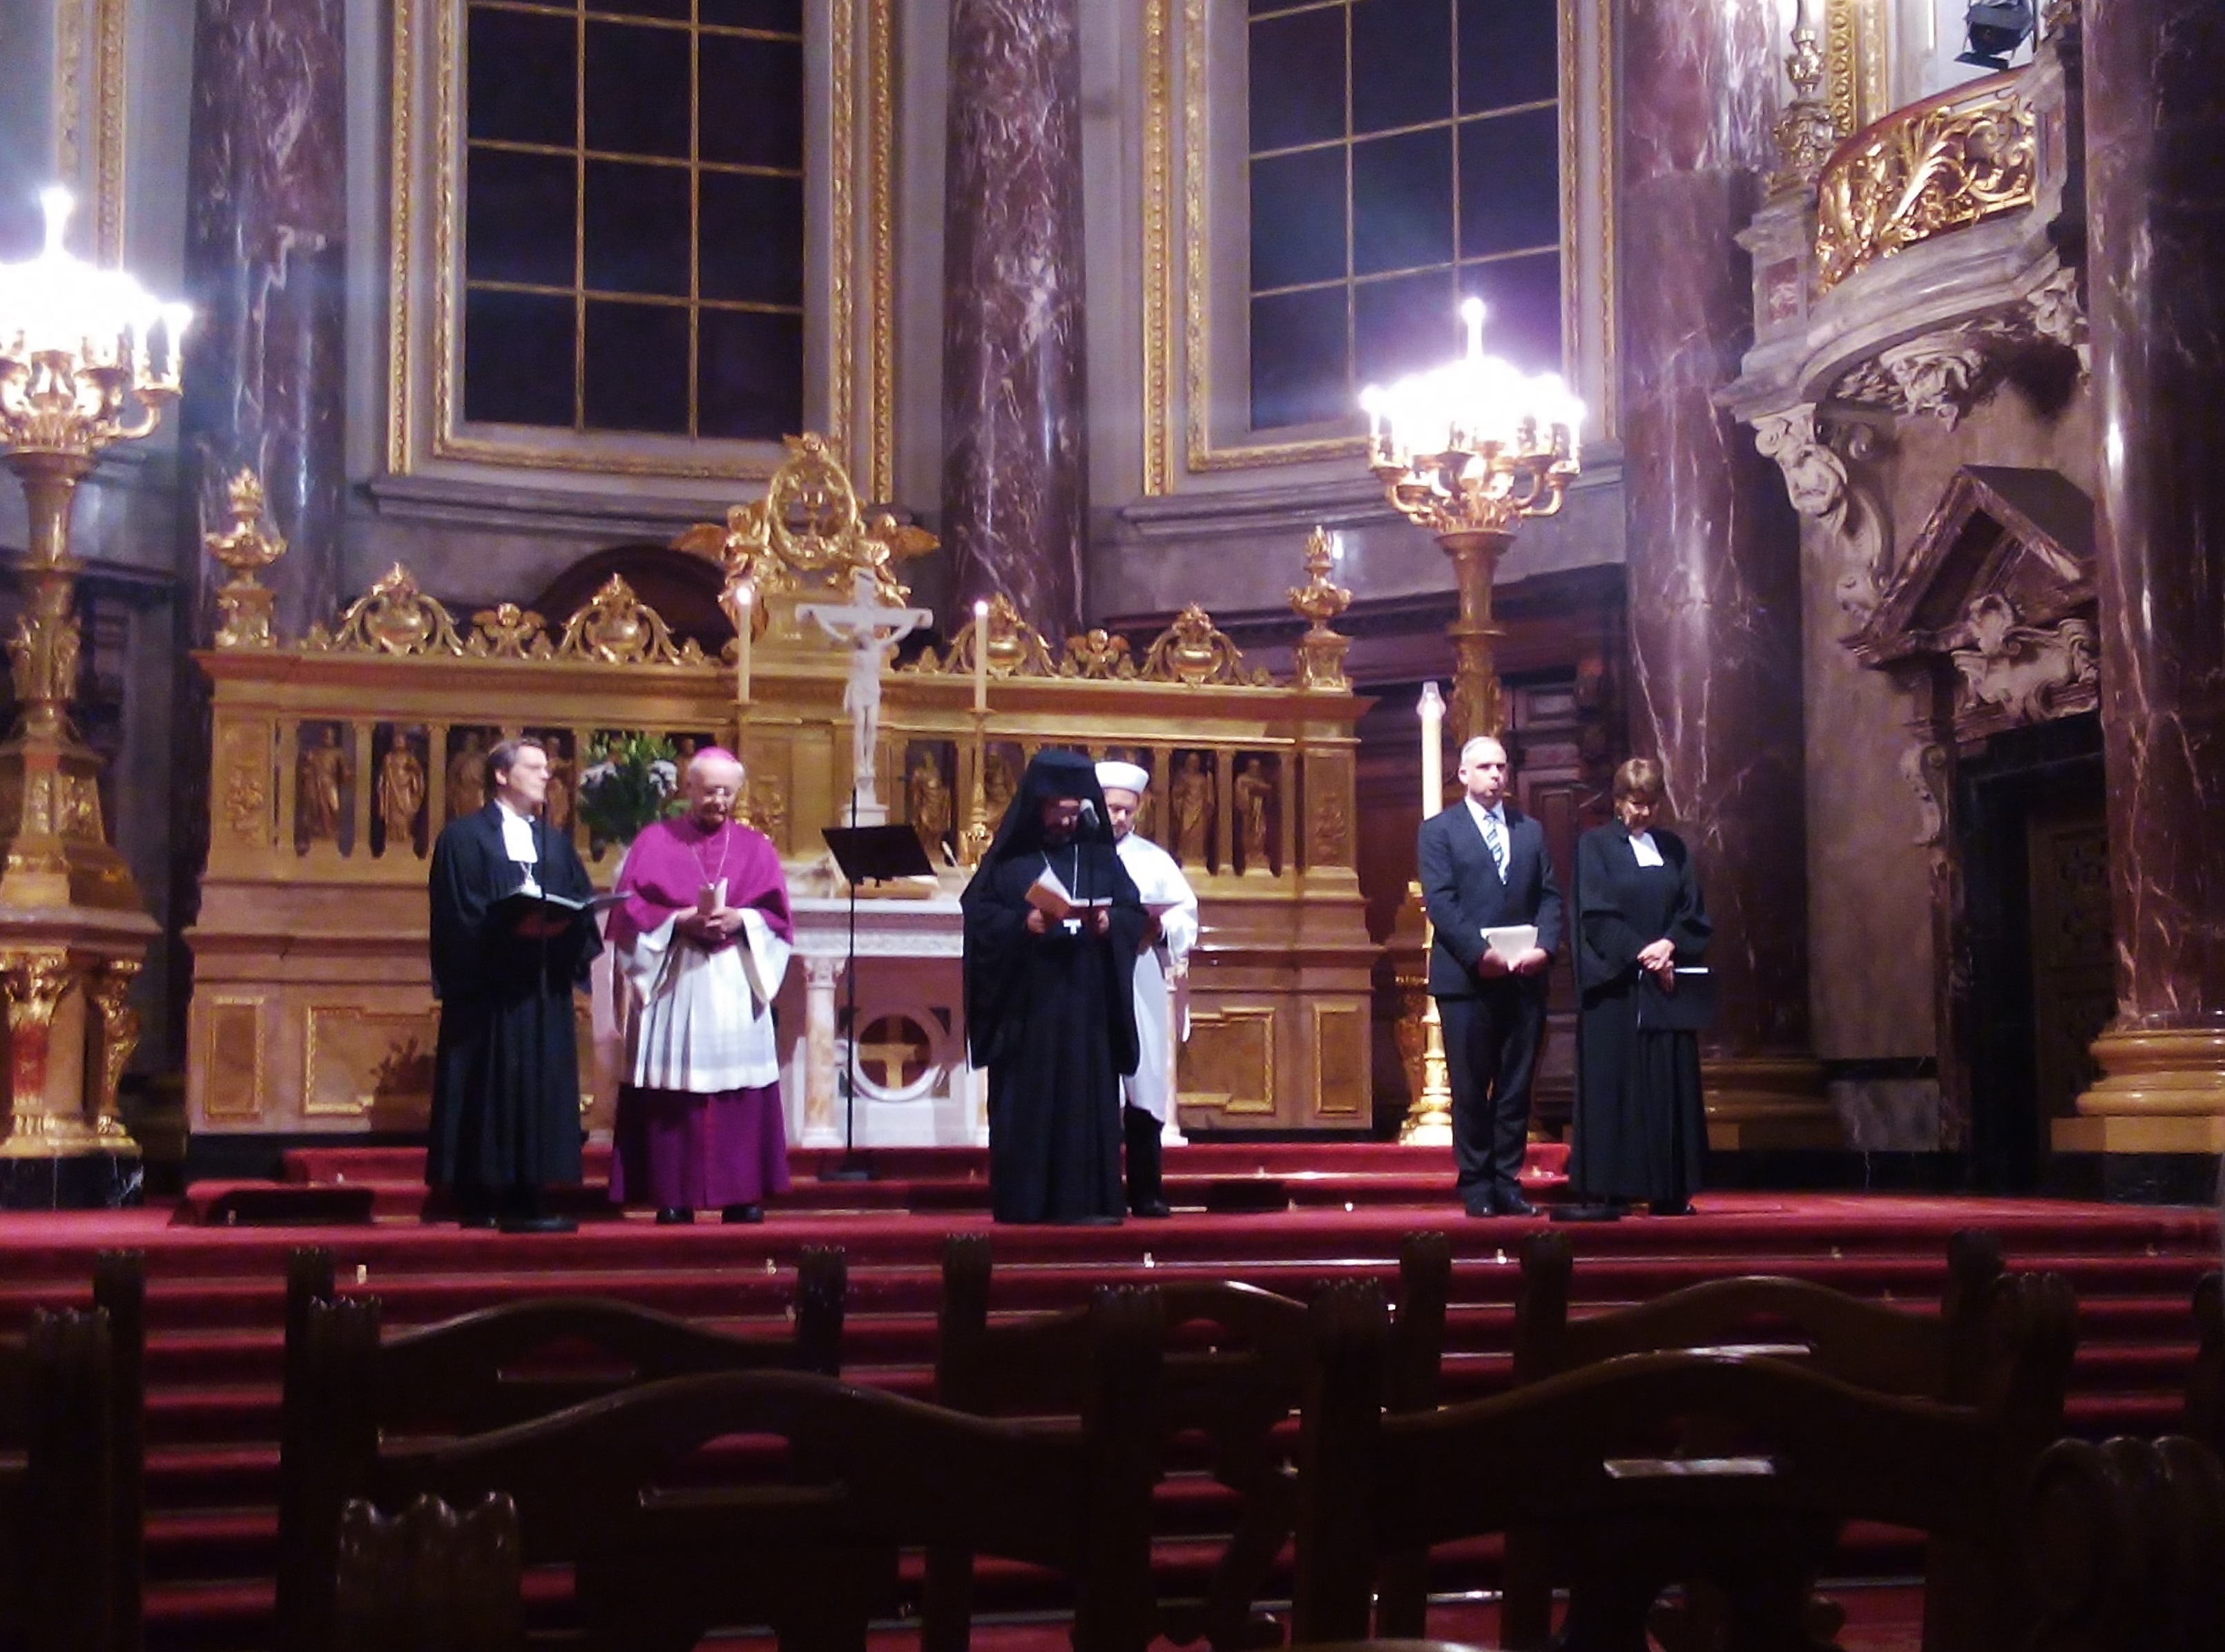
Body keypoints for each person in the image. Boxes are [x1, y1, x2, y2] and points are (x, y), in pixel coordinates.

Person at [606, 747, 794, 1225]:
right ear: (687, 789)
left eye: (728, 792)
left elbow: (776, 919)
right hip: (677, 979)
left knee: (739, 1093)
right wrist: (678, 922)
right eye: (710, 790)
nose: (719, 800)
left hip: (733, 979)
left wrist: (743, 919)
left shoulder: (756, 847)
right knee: (676, 1094)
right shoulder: (653, 842)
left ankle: (742, 1192)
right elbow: (628, 913)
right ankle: (673, 1193)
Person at [961, 749, 1147, 1224]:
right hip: (1030, 1008)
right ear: (1037, 806)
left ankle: (1089, 1203)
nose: (1066, 822)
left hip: (1088, 1006)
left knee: (1087, 1104)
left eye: (1073, 812)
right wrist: (1023, 922)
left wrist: (1110, 922)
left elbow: (1133, 911)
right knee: (1030, 1100)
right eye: (1056, 812)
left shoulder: (1101, 856)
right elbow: (980, 918)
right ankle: (1025, 1202)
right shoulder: (1010, 861)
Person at [427, 736, 601, 1232]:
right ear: (501, 775)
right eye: (535, 767)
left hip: (541, 992)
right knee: (488, 1083)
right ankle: (481, 1192)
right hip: (490, 994)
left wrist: (561, 931)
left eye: (547, 769)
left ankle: (535, 1189)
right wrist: (511, 933)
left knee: (540, 1083)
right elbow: (458, 913)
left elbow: (580, 907)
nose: (547, 776)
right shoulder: (463, 839)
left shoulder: (554, 843)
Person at [1418, 733, 1565, 1218]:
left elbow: (1549, 896)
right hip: (1467, 980)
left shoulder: (1530, 831)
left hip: (1523, 979)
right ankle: (1476, 1184)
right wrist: (1480, 954)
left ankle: (1507, 1181)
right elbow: (1441, 902)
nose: (1496, 776)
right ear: (1463, 775)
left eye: (1501, 767)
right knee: (1470, 1086)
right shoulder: (1439, 831)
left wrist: (1544, 947)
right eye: (1485, 768)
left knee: (1516, 1086)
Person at [1570, 758, 1712, 1216]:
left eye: (1651, 805)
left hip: (1665, 985)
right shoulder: (1596, 846)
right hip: (1618, 988)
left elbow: (1692, 908)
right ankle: (1614, 1187)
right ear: (1617, 801)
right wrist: (1640, 953)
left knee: (1667, 1084)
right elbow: (1596, 912)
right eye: (1635, 804)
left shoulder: (1672, 847)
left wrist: (1670, 945)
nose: (1643, 814)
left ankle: (1670, 1188)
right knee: (1619, 1086)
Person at [1096, 760, 1200, 1219]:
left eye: (1127, 810)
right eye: (1111, 808)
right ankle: (1098, 1189)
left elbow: (1184, 914)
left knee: (1145, 1081)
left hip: (1140, 979)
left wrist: (1158, 929)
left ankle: (1147, 1189)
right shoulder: (1077, 854)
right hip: (1088, 982)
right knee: (1095, 1087)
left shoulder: (1153, 860)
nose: (1119, 818)